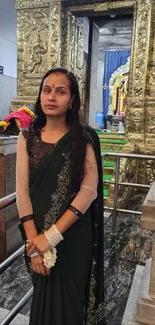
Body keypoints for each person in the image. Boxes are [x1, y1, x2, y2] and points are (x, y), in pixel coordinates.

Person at [16, 67, 104, 325]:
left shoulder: (84, 137)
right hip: (34, 234)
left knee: (70, 305)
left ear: (72, 100)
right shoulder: (27, 137)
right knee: (43, 300)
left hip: (73, 236)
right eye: (47, 90)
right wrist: (35, 246)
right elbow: (21, 191)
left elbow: (89, 190)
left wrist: (51, 238)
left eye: (60, 91)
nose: (52, 97)